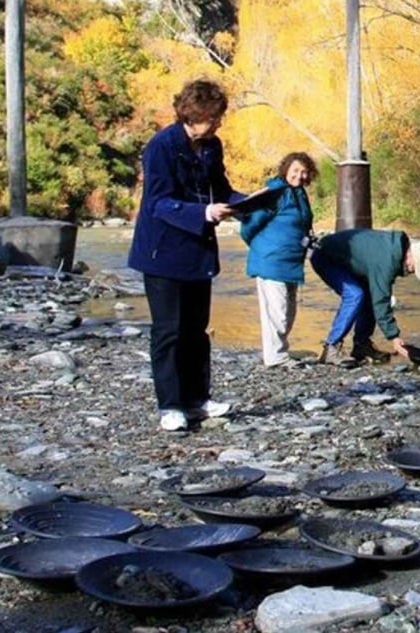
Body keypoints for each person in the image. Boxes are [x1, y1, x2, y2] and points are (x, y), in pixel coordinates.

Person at [126, 77, 241, 433]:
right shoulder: (160, 147)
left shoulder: (211, 146)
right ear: (196, 115)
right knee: (169, 330)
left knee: (196, 329)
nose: (220, 122)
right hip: (162, 251)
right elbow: (158, 202)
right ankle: (170, 405)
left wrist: (253, 203)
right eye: (215, 116)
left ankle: (197, 399)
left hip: (197, 250)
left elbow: (221, 190)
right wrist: (203, 213)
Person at [309, 227, 420, 367]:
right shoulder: (387, 260)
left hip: (343, 259)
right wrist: (394, 337)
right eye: (413, 267)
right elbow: (381, 301)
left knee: (368, 294)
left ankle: (361, 345)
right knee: (354, 295)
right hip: (325, 258)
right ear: (410, 255)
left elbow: (378, 295)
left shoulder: (394, 249)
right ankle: (330, 348)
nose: (411, 271)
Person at [239, 151, 316, 368]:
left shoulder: (300, 194)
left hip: (292, 262)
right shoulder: (274, 193)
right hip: (270, 260)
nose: (299, 176)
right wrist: (263, 249)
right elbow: (249, 225)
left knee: (288, 311)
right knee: (277, 312)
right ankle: (275, 357)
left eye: (304, 172)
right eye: (295, 171)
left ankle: (280, 351)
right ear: (285, 170)